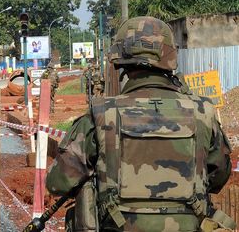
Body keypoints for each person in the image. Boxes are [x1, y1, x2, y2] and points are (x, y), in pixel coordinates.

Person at [45, 16, 234, 231]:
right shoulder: (203, 111)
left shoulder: (102, 112)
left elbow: (57, 182)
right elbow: (218, 177)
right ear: (169, 55)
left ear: (121, 59)